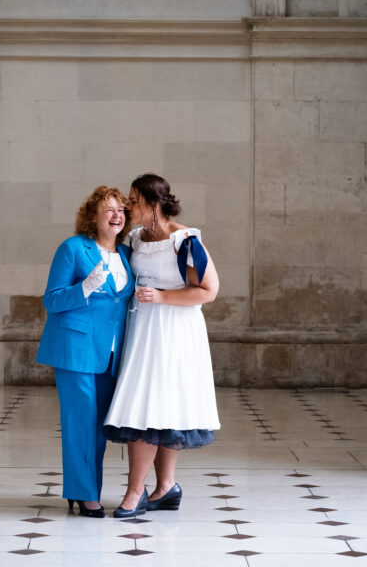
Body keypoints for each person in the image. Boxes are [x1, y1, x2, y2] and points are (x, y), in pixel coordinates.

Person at [104, 173, 221, 518]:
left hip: (174, 331)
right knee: (153, 406)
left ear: (154, 204)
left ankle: (136, 492)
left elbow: (208, 290)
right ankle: (166, 487)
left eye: (134, 200)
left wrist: (162, 296)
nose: (128, 205)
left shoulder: (185, 241)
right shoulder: (138, 238)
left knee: (154, 406)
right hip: (143, 328)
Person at [36, 186, 134, 518]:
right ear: (92, 216)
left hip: (110, 354)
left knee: (99, 427)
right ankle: (84, 494)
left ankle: (88, 489)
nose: (117, 215)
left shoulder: (126, 256)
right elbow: (51, 299)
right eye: (109, 209)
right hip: (75, 350)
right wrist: (84, 288)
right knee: (80, 423)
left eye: (121, 209)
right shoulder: (73, 248)